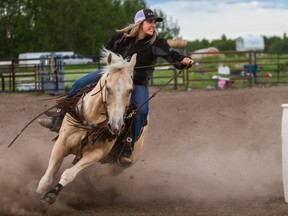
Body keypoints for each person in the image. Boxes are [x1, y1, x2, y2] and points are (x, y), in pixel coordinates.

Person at [38, 8, 194, 165]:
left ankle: (127, 145)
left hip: (136, 82)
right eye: (150, 22)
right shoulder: (121, 38)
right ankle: (59, 117)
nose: (153, 25)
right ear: (139, 23)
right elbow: (108, 54)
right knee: (79, 84)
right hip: (111, 76)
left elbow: (172, 55)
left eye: (154, 22)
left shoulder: (157, 43)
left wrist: (184, 60)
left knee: (141, 111)